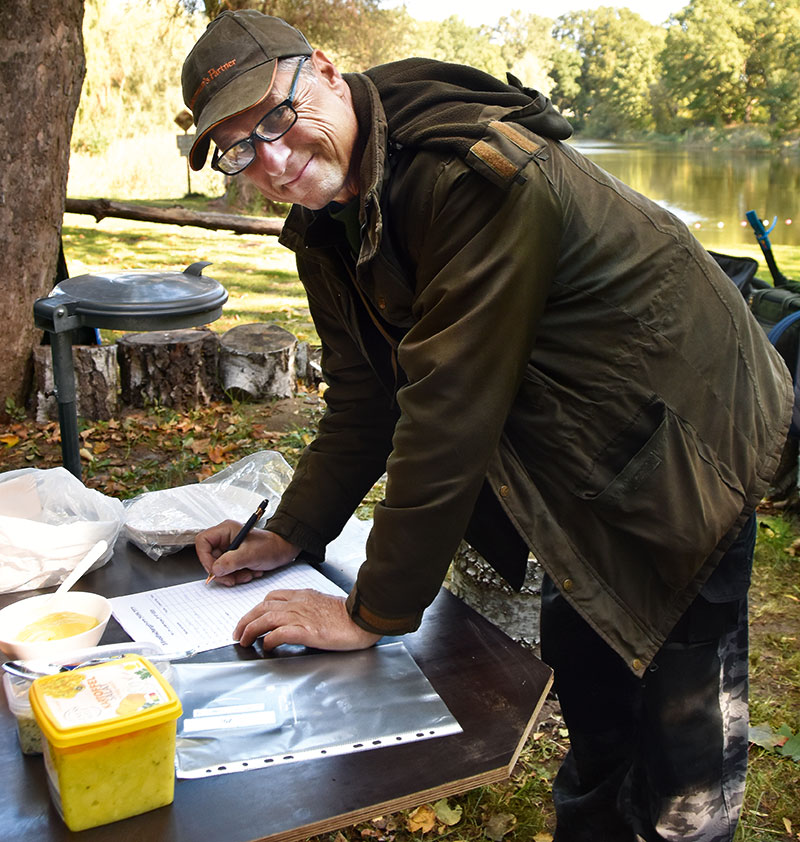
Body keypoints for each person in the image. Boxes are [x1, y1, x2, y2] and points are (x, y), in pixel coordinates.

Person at [182, 11, 792, 841]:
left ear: (324, 70)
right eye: (240, 147)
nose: (275, 160)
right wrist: (290, 531)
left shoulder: (468, 176)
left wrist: (370, 613)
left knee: (682, 751)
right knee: (593, 686)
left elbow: (448, 406)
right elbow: (368, 394)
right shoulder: (331, 220)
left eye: (278, 120)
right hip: (570, 450)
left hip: (683, 435)